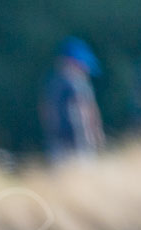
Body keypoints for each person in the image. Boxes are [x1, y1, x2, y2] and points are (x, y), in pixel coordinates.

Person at [40, 37, 104, 166]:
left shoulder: (53, 83)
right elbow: (84, 112)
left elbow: (46, 112)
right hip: (78, 142)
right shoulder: (78, 85)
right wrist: (94, 137)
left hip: (57, 141)